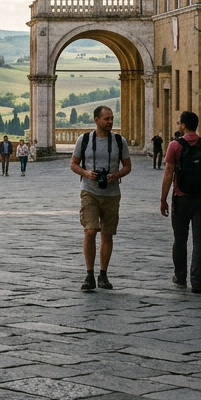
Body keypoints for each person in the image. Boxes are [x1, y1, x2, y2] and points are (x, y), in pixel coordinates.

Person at [69, 106, 132, 292]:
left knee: (107, 233)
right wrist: (86, 173)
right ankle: (89, 274)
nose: (111, 122)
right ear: (96, 120)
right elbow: (73, 164)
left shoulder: (120, 141)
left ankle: (103, 274)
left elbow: (128, 166)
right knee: (90, 231)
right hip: (89, 190)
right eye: (107, 119)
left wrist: (117, 174)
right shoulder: (85, 140)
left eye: (112, 118)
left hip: (112, 193)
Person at [159, 111, 201, 294]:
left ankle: (180, 277)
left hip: (181, 197)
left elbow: (168, 174)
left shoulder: (174, 146)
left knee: (180, 239)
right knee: (200, 240)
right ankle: (197, 281)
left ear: (183, 125)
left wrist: (163, 199)